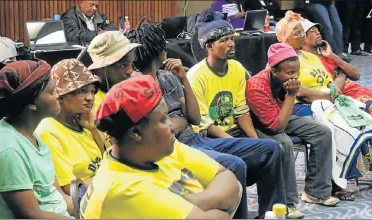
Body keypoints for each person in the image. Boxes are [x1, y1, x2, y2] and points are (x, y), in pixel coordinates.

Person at [126, 21, 290, 218]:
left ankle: (271, 213)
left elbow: (194, 118)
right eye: (163, 43)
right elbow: (166, 129)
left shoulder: (168, 77)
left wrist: (183, 79)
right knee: (235, 164)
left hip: (197, 139)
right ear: (157, 48)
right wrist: (181, 120)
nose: (167, 46)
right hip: (178, 148)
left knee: (269, 149)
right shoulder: (137, 86)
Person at [79, 75, 242, 219]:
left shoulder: (154, 149)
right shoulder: (126, 188)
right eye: (163, 119)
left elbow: (226, 177)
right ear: (136, 133)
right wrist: (220, 204)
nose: (173, 125)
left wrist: (198, 201)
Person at [186, 9, 290, 218]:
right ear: (208, 46)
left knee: (272, 148)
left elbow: (241, 110)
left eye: (232, 39)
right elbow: (204, 123)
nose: (232, 44)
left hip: (235, 132)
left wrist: (254, 140)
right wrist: (238, 142)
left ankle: (271, 212)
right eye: (224, 40)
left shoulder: (236, 68)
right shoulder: (196, 75)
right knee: (241, 160)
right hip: (210, 138)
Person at [276, 11, 372, 200]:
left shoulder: (311, 57)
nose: (302, 35)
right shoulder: (283, 58)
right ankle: (335, 184)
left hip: (326, 101)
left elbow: (331, 81)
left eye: (302, 31)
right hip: (298, 106)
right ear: (285, 37)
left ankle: (356, 168)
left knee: (362, 117)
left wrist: (333, 90)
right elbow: (298, 91)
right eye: (298, 31)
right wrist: (326, 96)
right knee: (333, 127)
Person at [246, 43, 338, 207]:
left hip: (281, 115)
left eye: (297, 71)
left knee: (322, 132)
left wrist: (291, 93)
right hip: (259, 125)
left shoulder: (286, 79)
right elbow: (276, 127)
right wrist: (292, 95)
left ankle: (316, 192)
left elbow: (283, 115)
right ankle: (288, 203)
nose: (295, 76)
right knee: (284, 143)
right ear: (274, 71)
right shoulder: (256, 87)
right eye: (290, 73)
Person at [0, 60, 71, 218]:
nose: (59, 95)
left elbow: (55, 194)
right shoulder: (10, 149)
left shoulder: (32, 134)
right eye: (52, 92)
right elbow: (32, 215)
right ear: (32, 104)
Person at [35, 59, 105, 197]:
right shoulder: (48, 132)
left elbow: (109, 160)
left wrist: (94, 130)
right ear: (61, 95)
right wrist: (111, 179)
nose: (90, 97)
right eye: (82, 91)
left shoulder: (83, 123)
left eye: (93, 91)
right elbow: (71, 189)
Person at [300, 18, 372, 115]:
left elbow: (356, 75)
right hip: (348, 99)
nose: (318, 33)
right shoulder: (305, 63)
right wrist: (343, 74)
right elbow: (332, 89)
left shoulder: (327, 55)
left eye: (318, 31)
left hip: (361, 91)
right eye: (312, 31)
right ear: (302, 39)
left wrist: (332, 56)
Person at [87, 31, 141, 109]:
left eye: (131, 63)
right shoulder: (94, 106)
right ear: (100, 69)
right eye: (123, 65)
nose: (130, 71)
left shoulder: (126, 92)